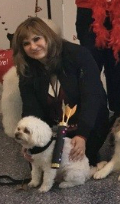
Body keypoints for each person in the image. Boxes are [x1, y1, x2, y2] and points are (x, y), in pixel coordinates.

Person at [12, 17, 109, 166]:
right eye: (26, 43)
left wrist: (82, 135)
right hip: (56, 129)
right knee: (45, 165)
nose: (33, 46)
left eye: (37, 39)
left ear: (48, 37)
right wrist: (28, 143)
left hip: (90, 125)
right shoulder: (27, 69)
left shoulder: (78, 54)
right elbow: (31, 109)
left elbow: (92, 97)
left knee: (79, 162)